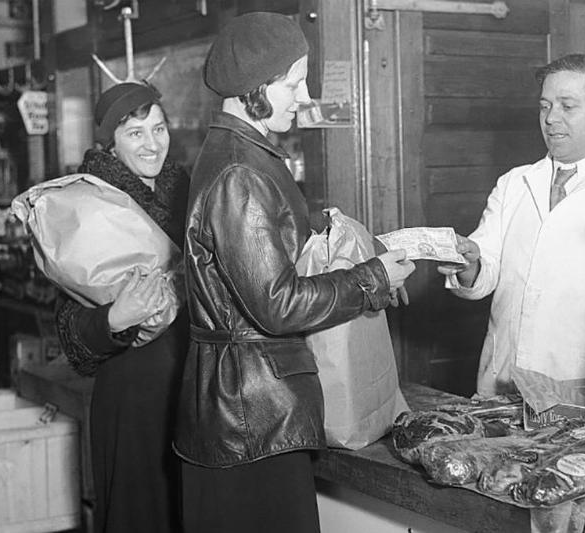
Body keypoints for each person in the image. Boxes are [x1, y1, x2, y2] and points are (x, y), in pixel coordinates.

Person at [174, 11, 415, 533]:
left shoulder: (248, 156)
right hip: (251, 421)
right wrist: (369, 279)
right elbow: (277, 304)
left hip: (250, 412)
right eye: (292, 81)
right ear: (253, 87)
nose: (302, 95)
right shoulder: (241, 172)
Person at [438, 53, 585, 398]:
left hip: (584, 389)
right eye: (545, 106)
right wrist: (469, 263)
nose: (551, 119)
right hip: (503, 381)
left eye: (567, 106)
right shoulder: (514, 183)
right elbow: (483, 275)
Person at [54, 82, 189, 533]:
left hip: (196, 391)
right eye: (135, 133)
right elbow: (70, 330)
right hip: (133, 402)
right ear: (109, 144)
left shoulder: (189, 190)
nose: (152, 143)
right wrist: (113, 319)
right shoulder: (88, 207)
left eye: (159, 128)